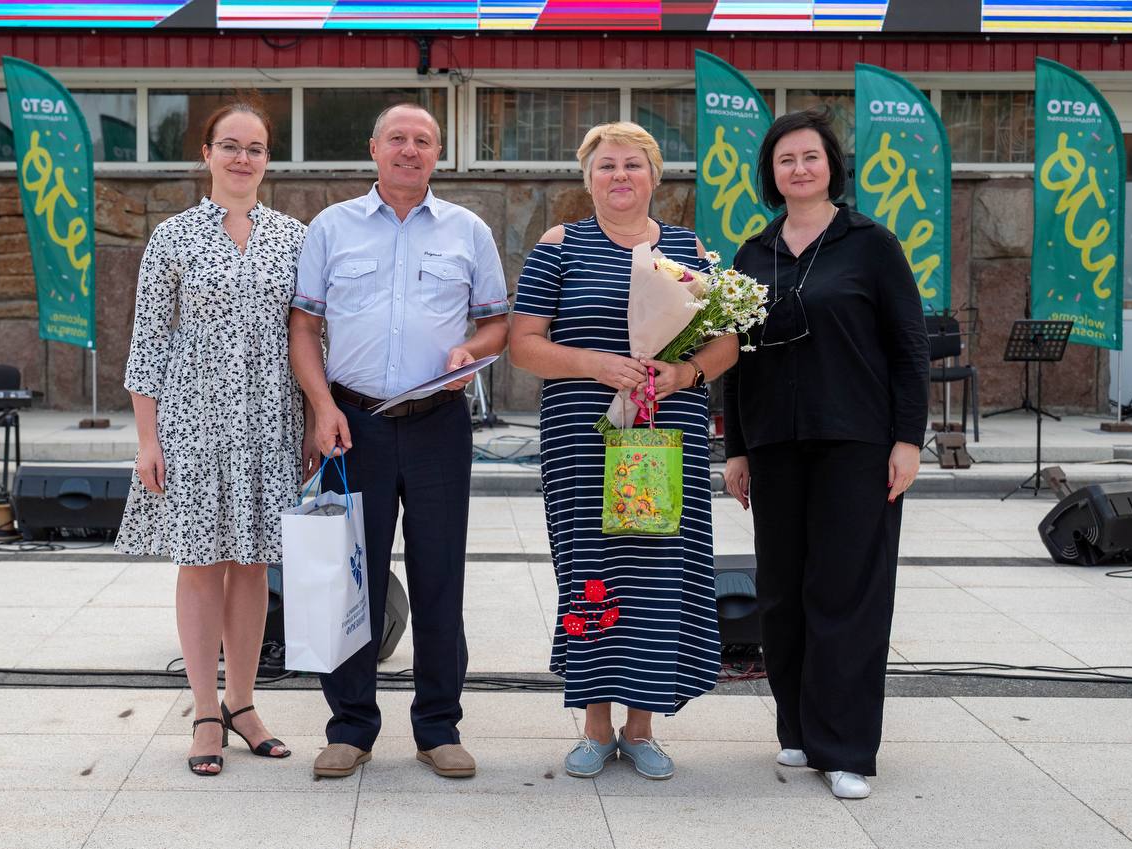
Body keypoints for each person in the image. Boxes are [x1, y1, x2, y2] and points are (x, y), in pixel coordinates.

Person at [509, 122, 737, 781]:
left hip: (665, 437)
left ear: (654, 176)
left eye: (632, 165)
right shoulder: (560, 245)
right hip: (584, 438)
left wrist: (685, 373)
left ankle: (641, 728)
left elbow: (725, 343)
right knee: (592, 571)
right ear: (588, 179)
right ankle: (594, 723)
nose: (619, 176)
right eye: (606, 165)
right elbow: (523, 345)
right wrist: (595, 363)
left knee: (658, 574)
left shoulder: (689, 249)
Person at [290, 103, 509, 781]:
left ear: (438, 153)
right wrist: (321, 407)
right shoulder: (332, 227)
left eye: (422, 140)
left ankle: (438, 727)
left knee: (441, 574)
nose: (409, 150)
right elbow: (304, 328)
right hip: (352, 425)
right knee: (350, 576)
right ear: (374, 148)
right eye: (397, 139)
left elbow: (497, 324)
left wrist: (471, 350)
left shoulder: (468, 231)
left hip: (439, 424)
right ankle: (350, 727)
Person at [721, 108, 930, 800]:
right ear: (771, 173)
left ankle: (845, 748)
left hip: (857, 443)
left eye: (811, 156)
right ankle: (800, 727)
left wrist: (908, 438)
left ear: (832, 166)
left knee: (846, 592)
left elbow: (908, 348)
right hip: (775, 444)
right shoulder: (753, 254)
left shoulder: (871, 244)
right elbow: (737, 358)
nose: (800, 168)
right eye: (786, 159)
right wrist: (737, 449)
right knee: (783, 592)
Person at [117, 100, 307, 775]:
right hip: (193, 424)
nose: (242, 158)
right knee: (200, 564)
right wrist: (148, 440)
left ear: (268, 159)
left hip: (268, 423)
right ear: (207, 153)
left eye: (255, 148)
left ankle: (243, 703)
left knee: (253, 565)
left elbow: (310, 337)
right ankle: (204, 711)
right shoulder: (173, 236)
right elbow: (148, 341)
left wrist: (314, 421)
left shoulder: (294, 237)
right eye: (230, 145)